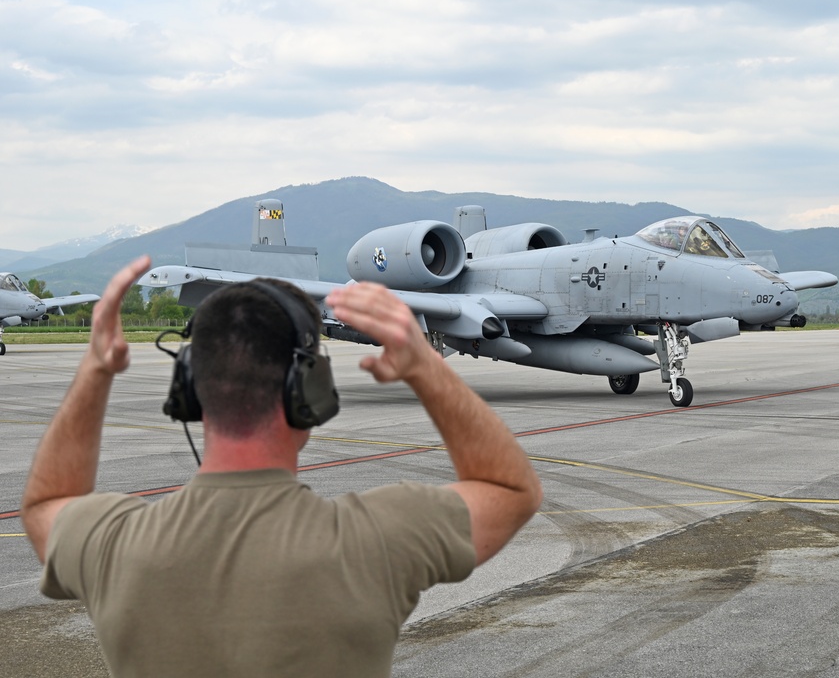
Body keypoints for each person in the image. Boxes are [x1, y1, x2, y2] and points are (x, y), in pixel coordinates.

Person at [21, 256, 543, 678]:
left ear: (187, 388)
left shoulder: (111, 544)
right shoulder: (378, 540)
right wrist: (425, 365)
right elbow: (509, 490)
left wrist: (96, 369)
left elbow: (46, 504)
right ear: (310, 389)